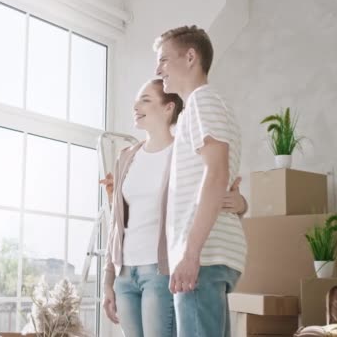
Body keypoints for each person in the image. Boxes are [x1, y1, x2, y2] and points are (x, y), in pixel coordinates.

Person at [100, 78, 247, 337]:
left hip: (160, 270)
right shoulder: (126, 156)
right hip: (125, 273)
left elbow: (213, 188)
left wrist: (241, 203)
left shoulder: (184, 152)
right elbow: (118, 224)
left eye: (145, 99)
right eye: (136, 100)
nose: (136, 105)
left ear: (169, 107)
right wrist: (108, 282)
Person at [154, 25, 246, 337]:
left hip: (203, 256)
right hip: (212, 255)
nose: (159, 69)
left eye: (164, 59)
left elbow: (217, 173)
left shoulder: (201, 101)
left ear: (191, 57)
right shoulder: (205, 106)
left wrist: (190, 253)